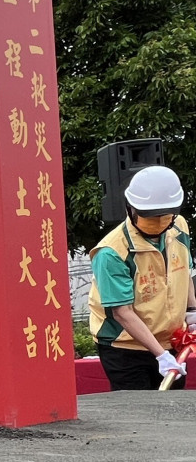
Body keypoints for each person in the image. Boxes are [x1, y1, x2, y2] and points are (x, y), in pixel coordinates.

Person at [88, 165, 195, 390]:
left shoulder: (179, 229)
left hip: (171, 341)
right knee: (140, 415)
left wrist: (192, 312)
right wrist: (160, 356)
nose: (157, 223)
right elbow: (122, 312)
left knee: (173, 410)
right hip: (126, 349)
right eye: (149, 217)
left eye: (164, 217)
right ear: (130, 208)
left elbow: (182, 272)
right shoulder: (111, 252)